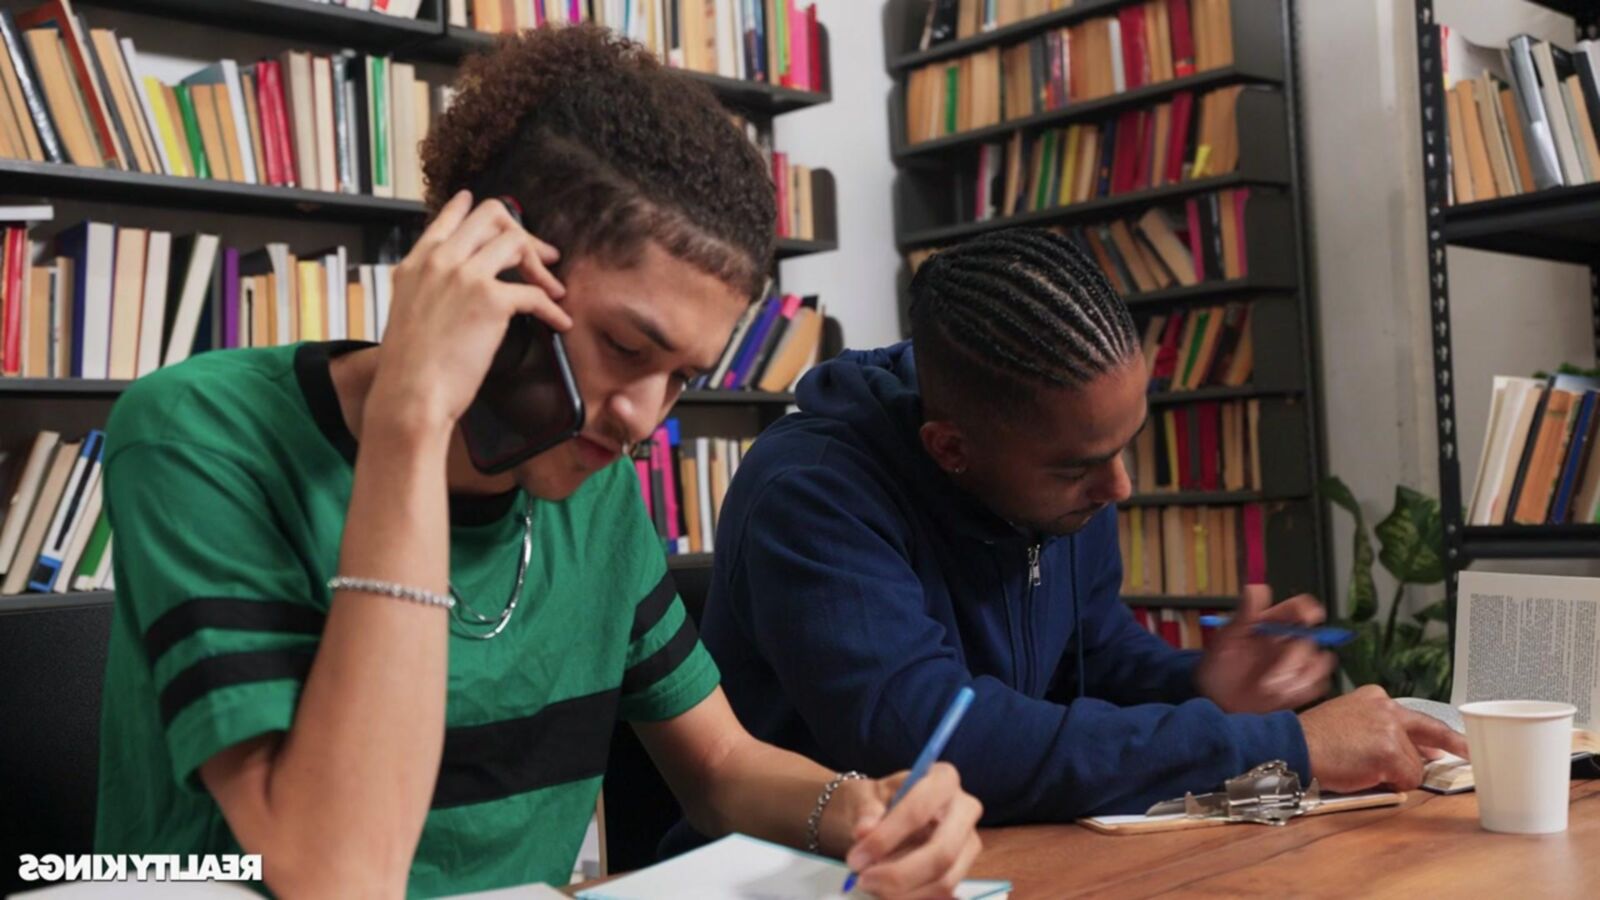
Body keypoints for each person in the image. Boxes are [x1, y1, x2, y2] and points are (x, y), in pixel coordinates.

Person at [92, 26, 981, 898]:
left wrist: (862, 811)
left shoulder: (591, 486)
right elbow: (338, 877)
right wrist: (412, 421)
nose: (642, 417)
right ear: (489, 263)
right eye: (626, 346)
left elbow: (718, 765)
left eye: (682, 379)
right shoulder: (201, 435)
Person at [683, 227, 1468, 832]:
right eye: (1079, 467)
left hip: (996, 856)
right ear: (950, 449)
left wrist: (1198, 683)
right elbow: (933, 740)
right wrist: (1283, 748)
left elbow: (1089, 651)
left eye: (1126, 446)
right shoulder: (812, 495)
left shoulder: (1056, 470)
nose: (1119, 486)